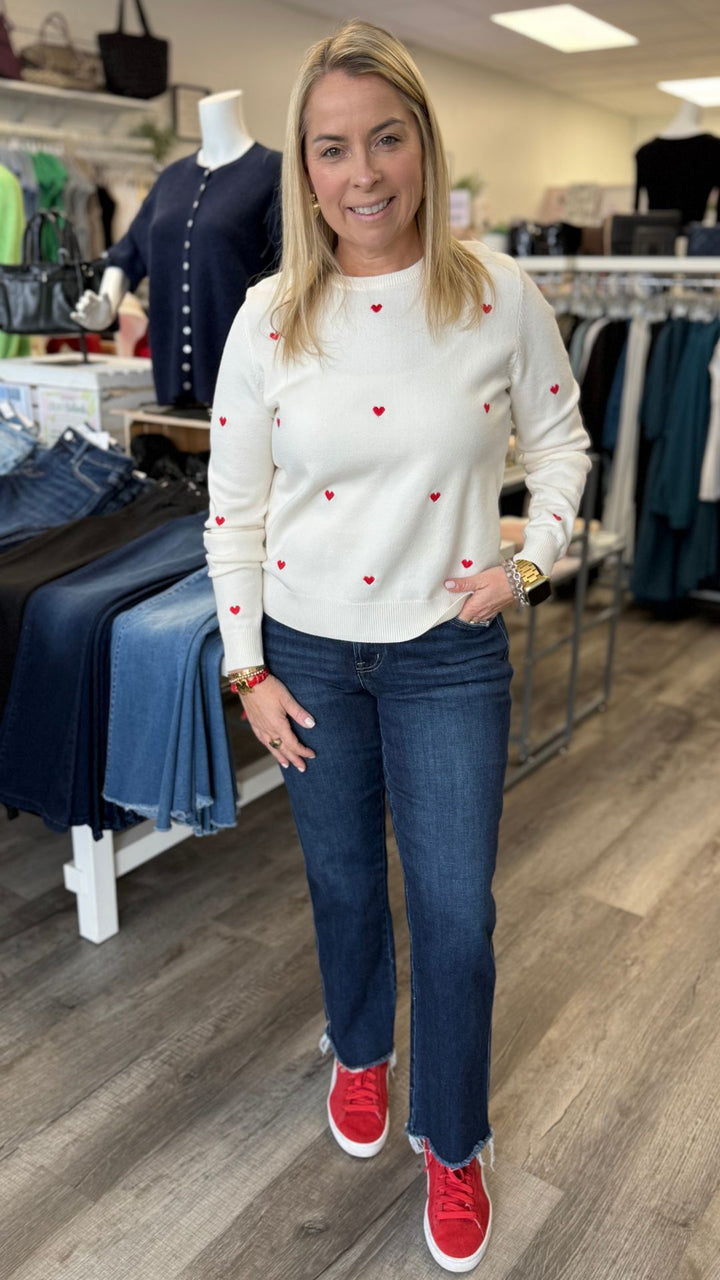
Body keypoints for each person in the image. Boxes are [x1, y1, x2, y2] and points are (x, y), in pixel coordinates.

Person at [204, 18, 591, 1273]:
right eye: (331, 148)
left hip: (446, 654)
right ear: (302, 169)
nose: (361, 173)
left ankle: (455, 1134)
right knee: (338, 881)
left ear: (423, 142)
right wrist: (247, 667)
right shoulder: (269, 319)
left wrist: (529, 563)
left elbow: (568, 444)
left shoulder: (496, 295)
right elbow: (237, 514)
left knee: (458, 912)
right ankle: (360, 1047)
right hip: (307, 657)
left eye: (386, 138)